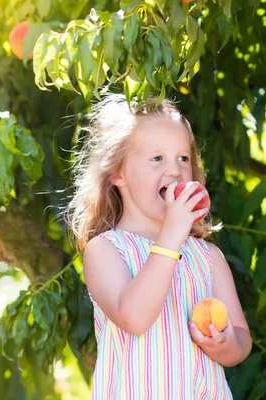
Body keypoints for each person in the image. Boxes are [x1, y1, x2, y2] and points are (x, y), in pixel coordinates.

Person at [65, 94, 252, 399]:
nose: (175, 171)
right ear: (117, 172)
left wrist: (226, 345)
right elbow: (134, 319)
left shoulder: (207, 257)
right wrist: (172, 234)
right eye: (157, 159)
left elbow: (241, 339)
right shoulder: (107, 250)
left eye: (183, 158)